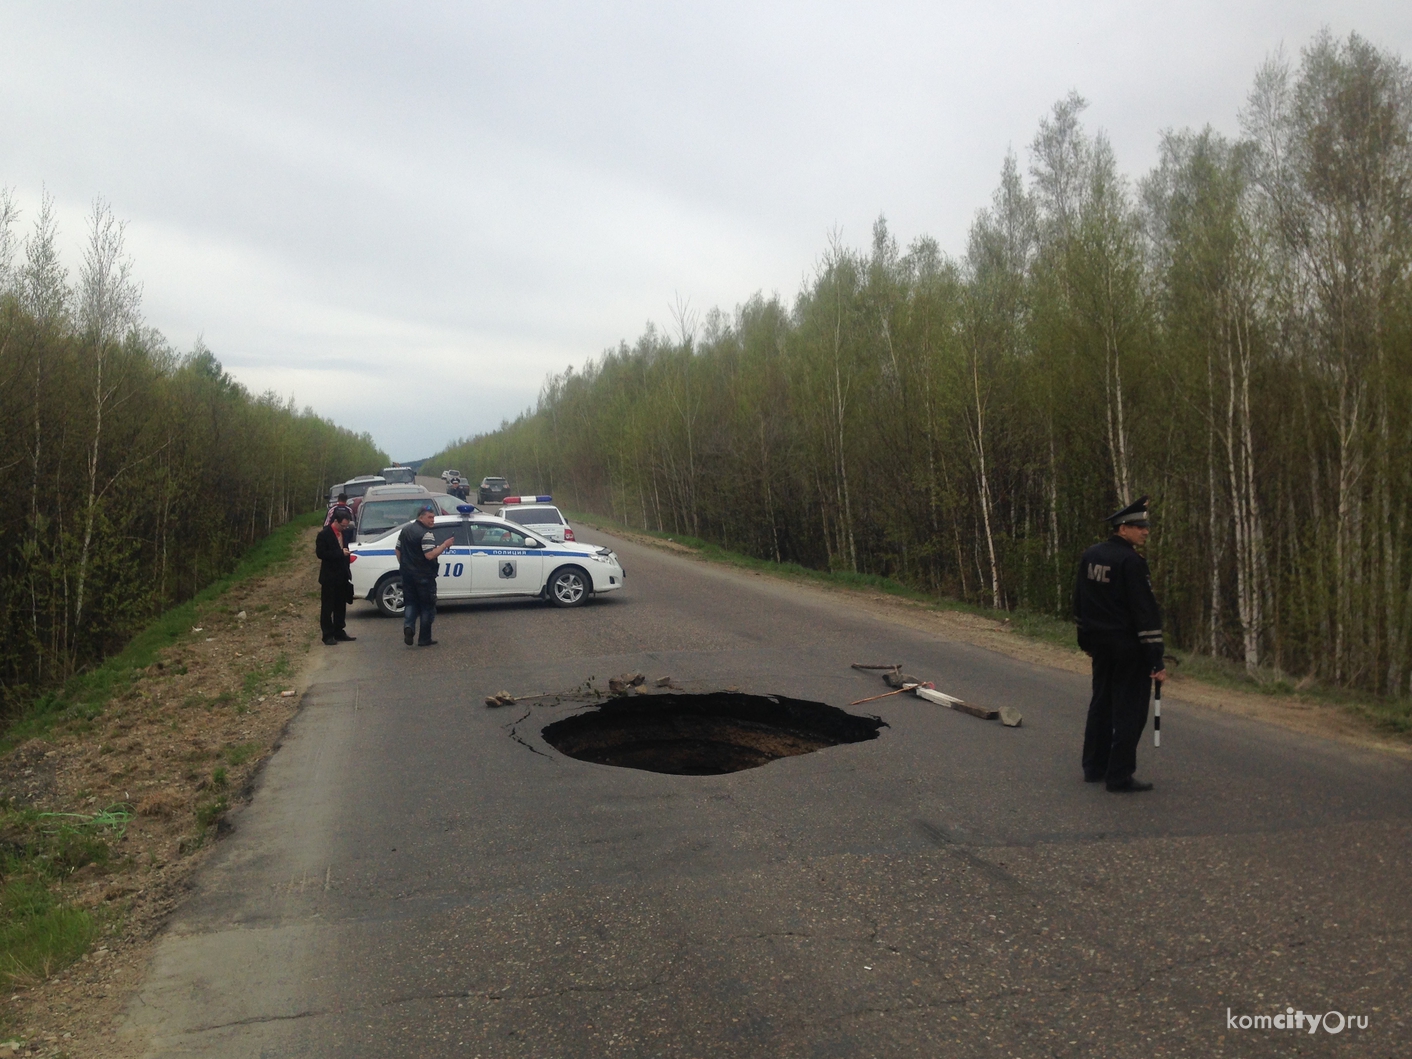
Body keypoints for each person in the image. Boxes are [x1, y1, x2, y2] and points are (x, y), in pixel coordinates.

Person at [1075, 495, 1166, 792]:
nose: (1145, 531)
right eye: (1139, 527)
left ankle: (1094, 767)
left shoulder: (1091, 555)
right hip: (1128, 648)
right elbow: (1145, 611)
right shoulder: (1131, 562)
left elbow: (1081, 601)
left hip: (1100, 644)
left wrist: (1084, 637)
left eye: (1145, 526)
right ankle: (1119, 775)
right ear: (1122, 529)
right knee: (1130, 711)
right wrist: (1156, 658)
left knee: (1101, 703)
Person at [395, 505, 453, 646]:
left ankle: (408, 627)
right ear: (421, 517)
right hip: (424, 576)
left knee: (410, 603)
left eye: (433, 517)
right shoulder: (426, 534)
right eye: (429, 517)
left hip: (407, 575)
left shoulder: (405, 530)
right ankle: (424, 638)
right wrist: (445, 545)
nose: (432, 520)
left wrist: (405, 566)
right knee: (427, 607)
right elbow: (430, 555)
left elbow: (397, 550)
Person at [315, 505, 356, 646]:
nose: (344, 528)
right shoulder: (324, 534)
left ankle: (339, 630)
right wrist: (339, 553)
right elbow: (321, 554)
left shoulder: (343, 534)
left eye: (346, 526)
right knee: (328, 607)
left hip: (342, 575)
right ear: (336, 522)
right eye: (343, 526)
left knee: (341, 605)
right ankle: (327, 634)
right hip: (329, 576)